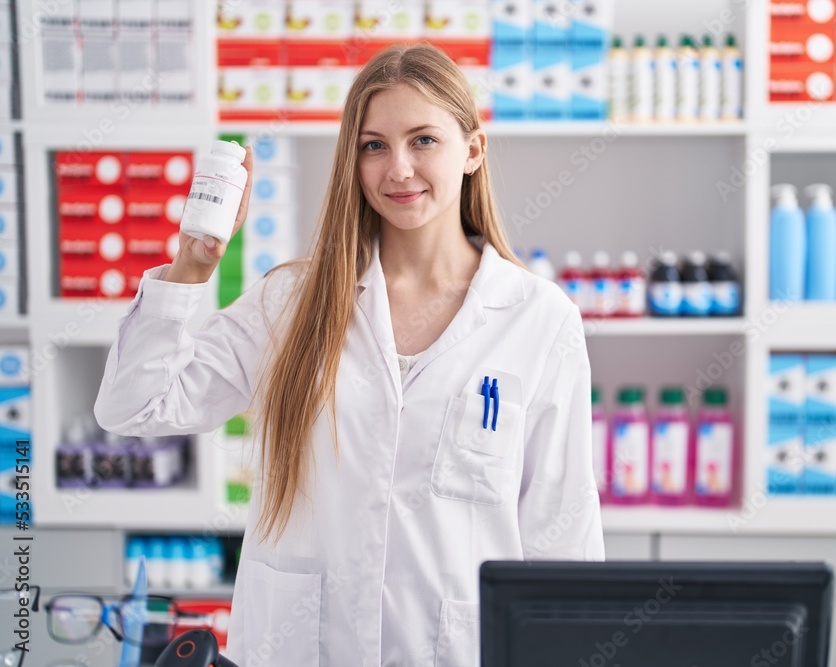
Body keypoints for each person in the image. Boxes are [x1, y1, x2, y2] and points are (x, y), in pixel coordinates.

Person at [94, 43, 604, 666]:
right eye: (374, 146)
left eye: (423, 140)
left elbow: (562, 541)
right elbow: (133, 408)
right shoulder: (292, 302)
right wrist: (191, 267)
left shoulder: (538, 321)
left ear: (472, 150)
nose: (398, 169)